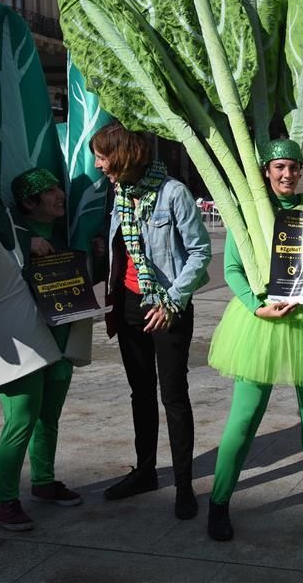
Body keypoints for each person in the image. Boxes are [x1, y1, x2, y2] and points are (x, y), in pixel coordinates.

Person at [206, 139, 303, 541]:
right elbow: (233, 267)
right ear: (266, 172)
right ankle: (219, 501)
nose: (287, 175)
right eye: (279, 168)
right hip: (262, 320)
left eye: (293, 167)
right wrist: (256, 306)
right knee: (245, 416)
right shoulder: (250, 212)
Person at [92, 122, 212, 520]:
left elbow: (199, 252)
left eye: (103, 155)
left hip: (167, 308)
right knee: (139, 392)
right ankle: (145, 471)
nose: (98, 164)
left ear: (124, 154)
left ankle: (183, 484)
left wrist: (173, 302)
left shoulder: (173, 193)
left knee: (173, 396)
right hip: (128, 305)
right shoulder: (121, 192)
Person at [0, 168, 84, 531]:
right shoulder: (4, 240)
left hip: (59, 340)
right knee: (21, 419)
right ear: (30, 202)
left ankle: (43, 483)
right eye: (49, 191)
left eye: (58, 187)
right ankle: (5, 500)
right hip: (21, 343)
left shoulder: (67, 233)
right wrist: (21, 245)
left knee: (49, 417)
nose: (61, 194)